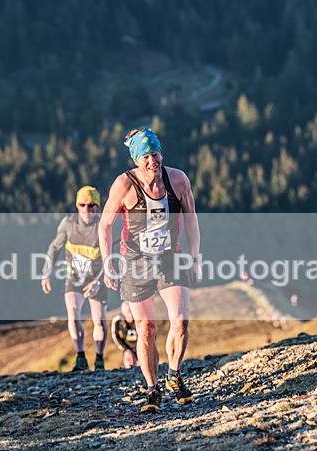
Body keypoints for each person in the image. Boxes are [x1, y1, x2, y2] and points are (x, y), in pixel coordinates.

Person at [99, 127, 201, 413]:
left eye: (155, 153)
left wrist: (195, 256)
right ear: (136, 160)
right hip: (134, 263)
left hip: (170, 258)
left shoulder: (177, 179)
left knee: (180, 321)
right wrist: (108, 262)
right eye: (145, 156)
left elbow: (191, 218)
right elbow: (105, 225)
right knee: (145, 329)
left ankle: (175, 375)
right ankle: (152, 389)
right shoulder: (124, 185)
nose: (152, 161)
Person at [41, 186, 108, 371]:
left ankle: (99, 359)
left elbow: (113, 258)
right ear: (77, 206)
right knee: (73, 312)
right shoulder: (68, 224)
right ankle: (80, 357)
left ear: (98, 207)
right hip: (74, 277)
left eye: (92, 205)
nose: (87, 210)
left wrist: (99, 281)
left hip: (96, 279)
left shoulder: (103, 226)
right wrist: (46, 273)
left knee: (99, 321)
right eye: (83, 205)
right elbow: (54, 248)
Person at [111, 301, 139, 369]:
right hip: (128, 346)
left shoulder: (139, 319)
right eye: (128, 312)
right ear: (124, 313)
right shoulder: (119, 321)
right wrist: (125, 349)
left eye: (132, 311)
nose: (130, 315)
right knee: (129, 362)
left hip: (140, 346)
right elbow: (115, 335)